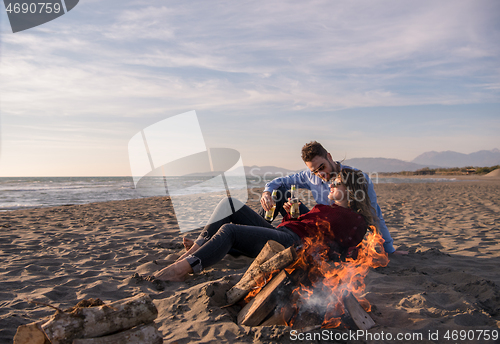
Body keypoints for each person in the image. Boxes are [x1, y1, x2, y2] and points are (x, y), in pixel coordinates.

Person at [154, 168, 376, 281]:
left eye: (336, 183)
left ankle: (182, 269)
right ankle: (195, 250)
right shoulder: (326, 208)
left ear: (350, 189)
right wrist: (290, 215)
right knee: (228, 203)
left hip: (293, 244)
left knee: (229, 230)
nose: (329, 185)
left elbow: (342, 248)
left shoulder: (354, 219)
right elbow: (301, 225)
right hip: (284, 233)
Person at [260, 141, 406, 255]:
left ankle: (262, 237)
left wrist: (389, 249)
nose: (320, 174)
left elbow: (374, 214)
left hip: (338, 233)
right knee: (279, 192)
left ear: (329, 157)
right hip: (320, 221)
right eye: (315, 171)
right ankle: (260, 232)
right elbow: (279, 181)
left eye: (322, 167)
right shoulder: (309, 176)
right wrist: (267, 193)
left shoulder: (355, 178)